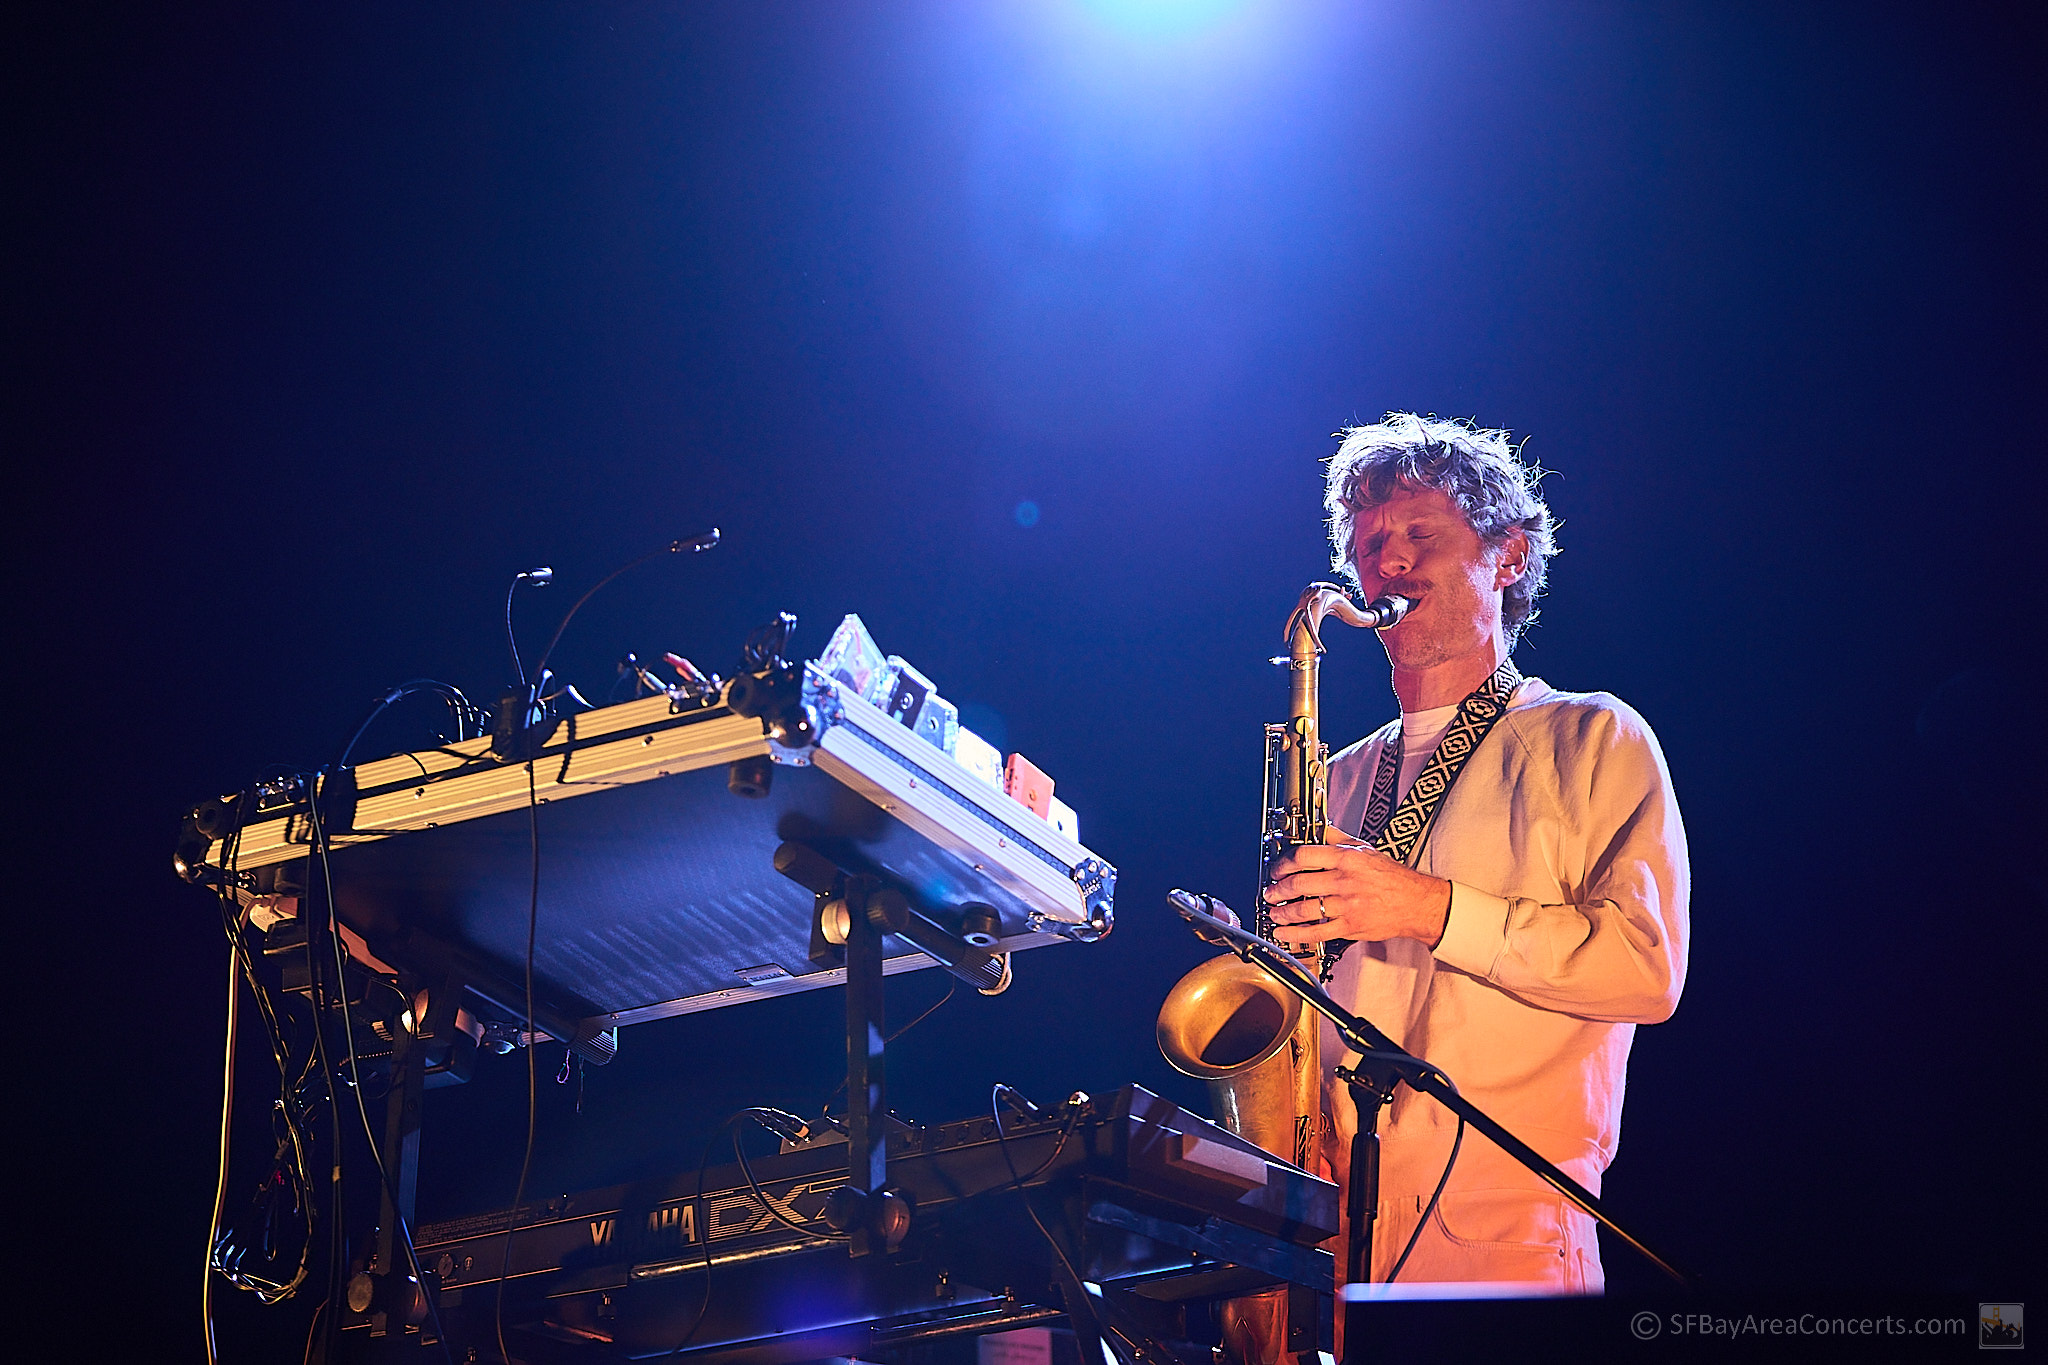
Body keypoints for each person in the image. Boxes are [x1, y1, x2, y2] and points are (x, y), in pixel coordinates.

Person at [1262, 412, 1690, 1295]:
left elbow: (1646, 968)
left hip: (1504, 1237)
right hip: (1330, 1232)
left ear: (1510, 556)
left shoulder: (1594, 735)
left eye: (1422, 533)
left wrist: (1425, 907)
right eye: (1371, 543)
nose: (1390, 561)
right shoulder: (1336, 778)